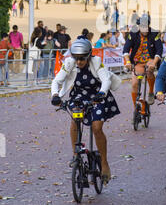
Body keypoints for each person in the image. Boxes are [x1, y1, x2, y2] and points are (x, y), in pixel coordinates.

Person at [51, 38, 121, 184]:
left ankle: (104, 163)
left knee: (97, 128)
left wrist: (102, 93)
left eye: (82, 58)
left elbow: (106, 79)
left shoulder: (96, 62)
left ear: (88, 55)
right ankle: (76, 154)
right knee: (75, 120)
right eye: (76, 57)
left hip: (98, 95)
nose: (78, 61)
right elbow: (57, 80)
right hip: (78, 96)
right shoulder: (69, 63)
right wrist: (55, 95)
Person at [123, 20, 163, 114]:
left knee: (149, 70)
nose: (145, 29)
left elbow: (159, 50)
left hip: (150, 60)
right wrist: (128, 61)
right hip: (137, 62)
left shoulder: (154, 33)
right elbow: (125, 49)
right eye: (142, 27)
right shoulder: (133, 34)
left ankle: (151, 92)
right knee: (134, 84)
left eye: (146, 27)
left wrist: (154, 62)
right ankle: (135, 108)